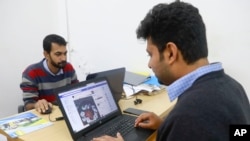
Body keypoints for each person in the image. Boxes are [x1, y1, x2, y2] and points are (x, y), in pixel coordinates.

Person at [93, 1, 250, 141]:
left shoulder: (188, 116)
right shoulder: (234, 87)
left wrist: (176, 126)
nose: (149, 64)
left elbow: (195, 126)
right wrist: (167, 127)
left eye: (150, 54)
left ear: (170, 53)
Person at [20, 34, 79, 113]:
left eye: (65, 53)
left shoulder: (68, 68)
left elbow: (76, 91)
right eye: (58, 54)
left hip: (64, 113)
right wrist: (36, 104)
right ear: (46, 54)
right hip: (45, 116)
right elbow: (28, 105)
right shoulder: (31, 72)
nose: (64, 58)